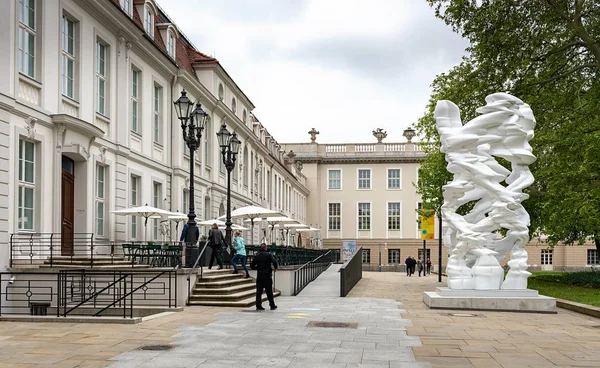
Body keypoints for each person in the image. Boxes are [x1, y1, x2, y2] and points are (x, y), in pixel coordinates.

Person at [250, 243, 278, 310]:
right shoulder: (269, 255)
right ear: (265, 248)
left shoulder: (257, 256)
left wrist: (257, 268)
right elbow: (274, 261)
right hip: (267, 275)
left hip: (260, 275)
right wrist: (275, 268)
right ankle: (272, 305)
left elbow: (252, 265)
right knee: (269, 291)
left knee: (259, 291)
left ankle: (258, 305)